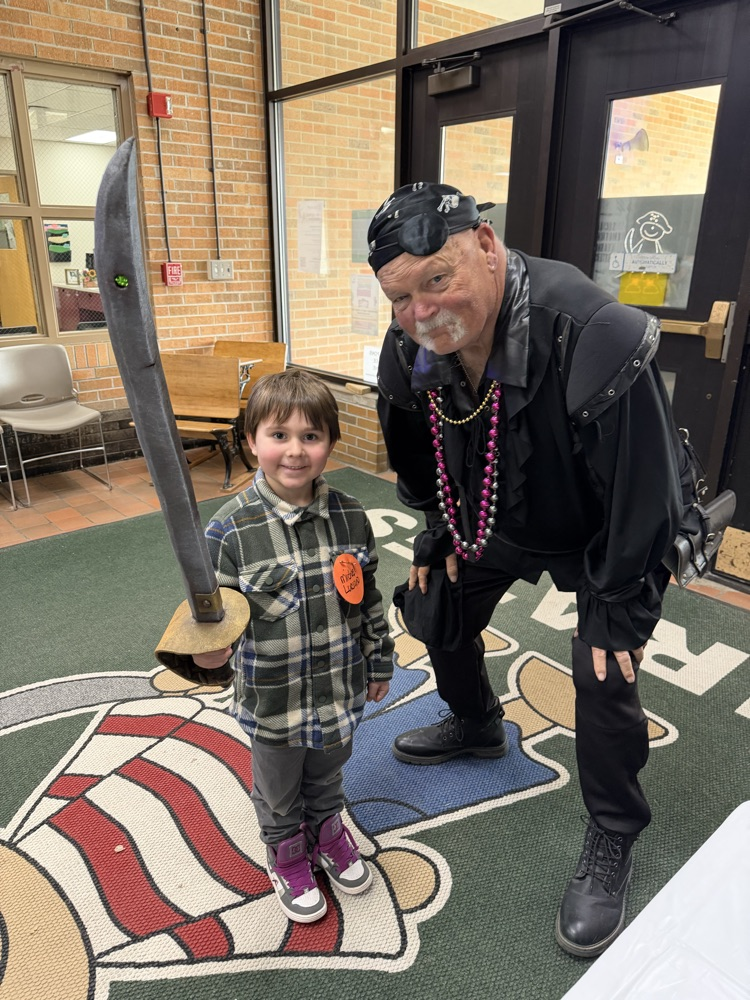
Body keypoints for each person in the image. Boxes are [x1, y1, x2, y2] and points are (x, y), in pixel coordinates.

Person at [368, 182, 688, 957]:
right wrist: (439, 527)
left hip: (600, 531)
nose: (422, 311)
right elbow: (417, 444)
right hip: (498, 514)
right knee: (436, 604)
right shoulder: (411, 340)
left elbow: (646, 495)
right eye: (400, 295)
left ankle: (612, 833)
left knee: (603, 672)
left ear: (485, 243)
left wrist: (618, 603)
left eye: (436, 279)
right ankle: (477, 724)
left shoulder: (594, 331)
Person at [191, 369, 394, 924]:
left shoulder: (352, 516)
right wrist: (207, 660)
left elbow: (367, 595)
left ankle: (328, 829)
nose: (296, 451)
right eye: (279, 435)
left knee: (328, 772)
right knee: (279, 791)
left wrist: (379, 658)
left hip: (337, 686)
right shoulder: (228, 531)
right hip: (273, 700)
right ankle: (286, 853)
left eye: (311, 436)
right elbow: (211, 625)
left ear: (330, 442)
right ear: (251, 438)